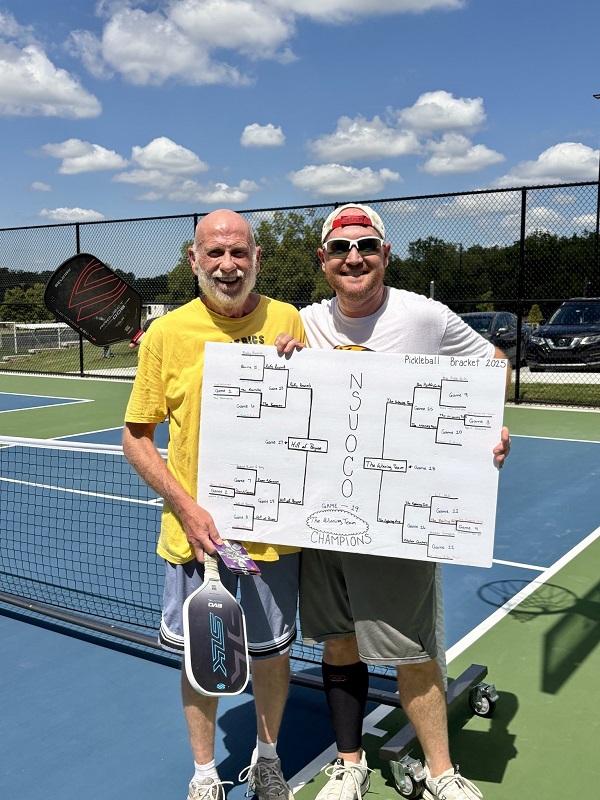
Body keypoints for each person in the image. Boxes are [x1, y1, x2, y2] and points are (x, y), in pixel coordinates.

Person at [275, 203, 512, 800]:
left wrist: (489, 424)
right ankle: (349, 764)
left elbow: (493, 364)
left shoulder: (424, 316)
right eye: (340, 248)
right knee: (339, 642)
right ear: (323, 260)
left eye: (366, 246)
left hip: (398, 519)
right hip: (325, 518)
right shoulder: (302, 323)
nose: (353, 257)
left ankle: (441, 772)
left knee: (411, 649)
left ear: (385, 254)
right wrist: (274, 353)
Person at [122, 209, 305, 800]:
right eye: (215, 253)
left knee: (272, 656)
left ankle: (269, 757)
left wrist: (306, 365)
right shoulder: (166, 335)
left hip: (272, 534)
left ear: (257, 258)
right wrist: (187, 507)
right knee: (202, 661)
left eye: (239, 253)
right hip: (194, 538)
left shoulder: (288, 318)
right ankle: (205, 773)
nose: (228, 265)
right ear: (194, 260)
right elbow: (136, 436)